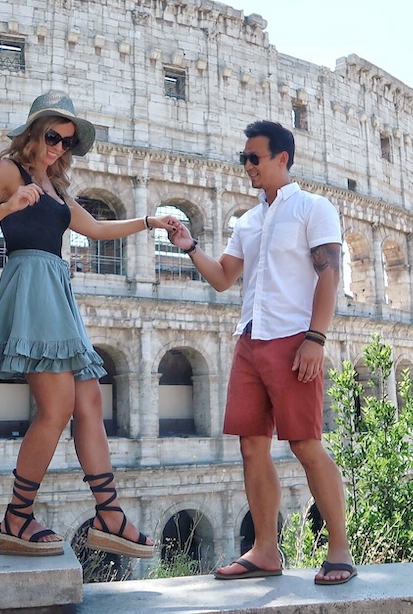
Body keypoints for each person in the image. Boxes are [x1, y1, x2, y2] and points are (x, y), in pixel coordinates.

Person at [0, 91, 178, 558]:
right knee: (56, 409)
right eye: (53, 136)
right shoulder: (8, 172)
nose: (59, 148)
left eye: (68, 143)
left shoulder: (54, 186)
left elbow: (94, 229)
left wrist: (149, 222)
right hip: (31, 285)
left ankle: (109, 514)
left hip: (57, 288)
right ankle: (17, 518)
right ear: (34, 131)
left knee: (89, 398)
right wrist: (9, 206)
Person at [169, 121, 356, 585]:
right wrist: (189, 245)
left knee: (306, 444)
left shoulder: (314, 208)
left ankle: (339, 550)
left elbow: (328, 274)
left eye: (255, 157)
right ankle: (265, 550)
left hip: (295, 339)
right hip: (250, 340)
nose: (248, 166)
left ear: (282, 158)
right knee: (251, 445)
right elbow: (223, 277)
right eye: (244, 159)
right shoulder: (248, 221)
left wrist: (317, 338)